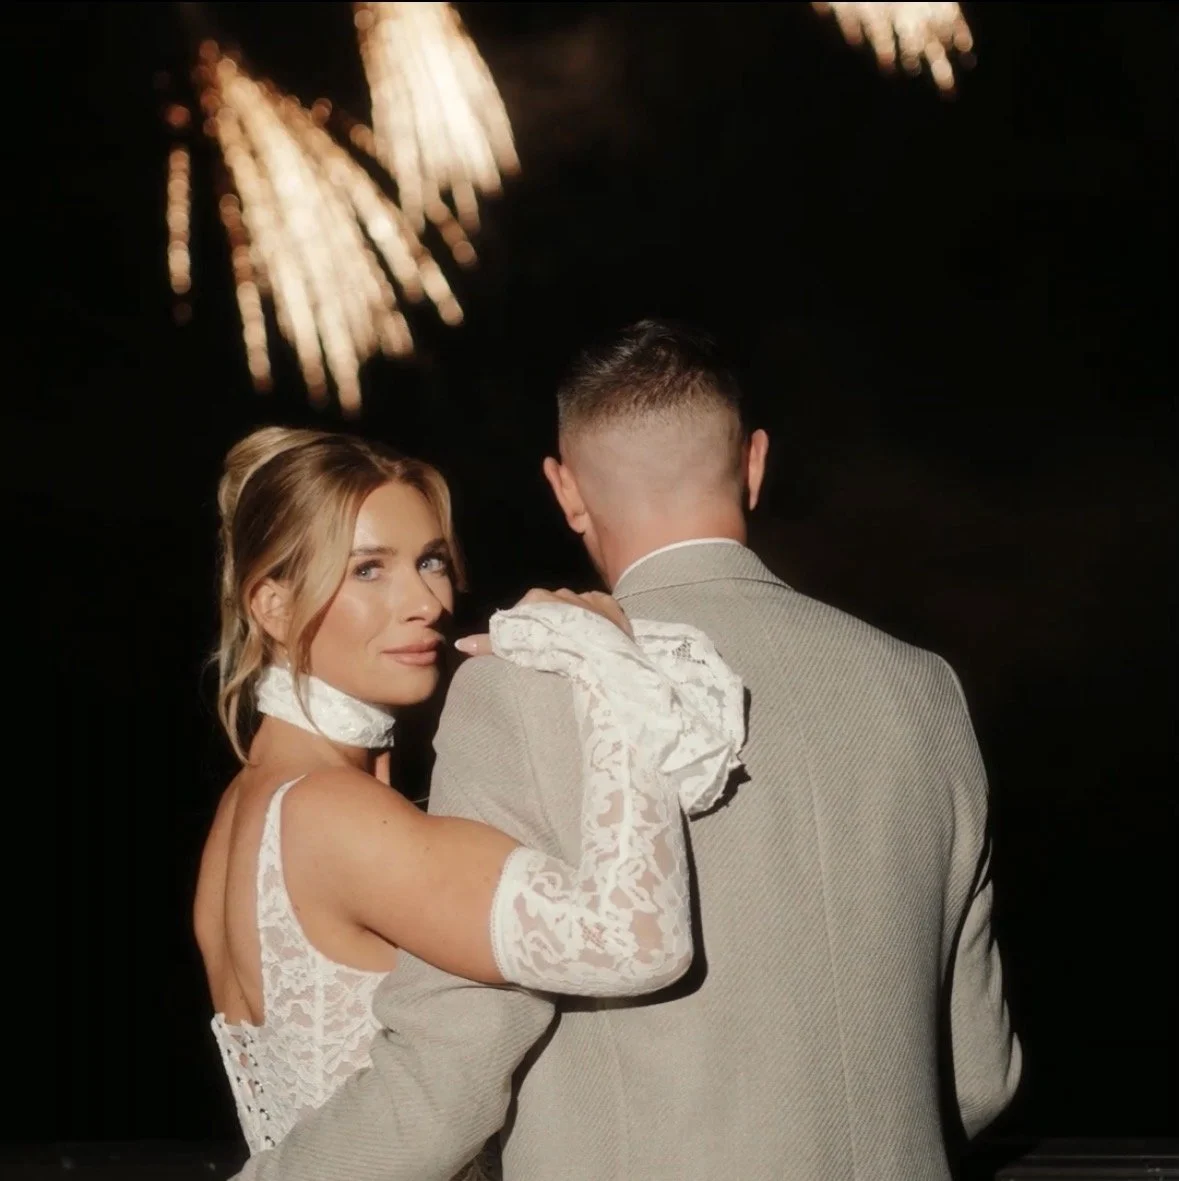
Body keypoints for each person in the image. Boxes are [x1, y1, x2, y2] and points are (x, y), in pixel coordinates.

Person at [233, 320, 1022, 1181]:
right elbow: (977, 1078)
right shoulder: (921, 688)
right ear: (753, 464)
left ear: (566, 491)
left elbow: (451, 1069)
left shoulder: (529, 683)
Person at [194, 425, 746, 1164]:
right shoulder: (328, 812)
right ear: (272, 605)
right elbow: (638, 940)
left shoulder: (248, 803)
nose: (425, 599)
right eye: (367, 570)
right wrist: (606, 669)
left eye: (429, 561)